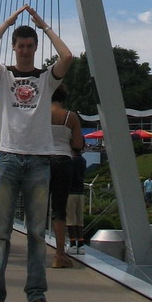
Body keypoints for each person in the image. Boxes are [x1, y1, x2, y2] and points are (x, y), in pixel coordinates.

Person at [0, 4, 72, 302]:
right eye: (21, 46)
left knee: (35, 232)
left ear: (35, 48)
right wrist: (7, 23)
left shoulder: (46, 81)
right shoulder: (3, 78)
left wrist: (43, 25)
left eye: (31, 47)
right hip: (7, 157)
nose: (26, 51)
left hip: (37, 162)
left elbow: (68, 57)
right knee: (1, 231)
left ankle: (37, 295)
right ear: (15, 47)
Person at [49, 84, 84, 268]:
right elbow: (78, 144)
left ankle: (35, 252)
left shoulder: (40, 114)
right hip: (63, 161)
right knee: (59, 210)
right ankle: (59, 255)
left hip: (42, 160)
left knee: (36, 208)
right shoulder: (71, 117)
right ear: (63, 98)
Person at [66, 151, 87, 254]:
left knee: (70, 219)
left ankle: (73, 243)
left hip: (70, 192)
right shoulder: (83, 160)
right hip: (81, 192)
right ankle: (81, 244)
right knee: (80, 220)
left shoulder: (70, 161)